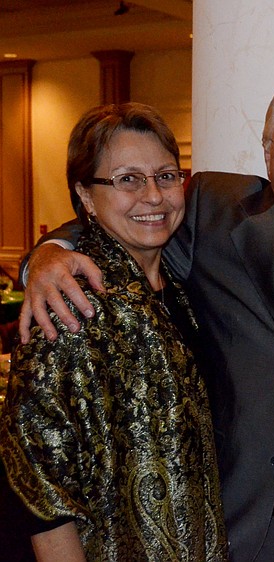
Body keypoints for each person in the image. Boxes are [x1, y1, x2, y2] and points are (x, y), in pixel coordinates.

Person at [18, 78, 274, 562]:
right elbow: (122, 213)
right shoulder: (210, 210)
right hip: (224, 533)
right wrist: (50, 253)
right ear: (267, 150)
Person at [0, 103, 227, 560]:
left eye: (166, 175)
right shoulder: (69, 304)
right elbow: (40, 484)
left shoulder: (180, 291)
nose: (154, 196)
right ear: (85, 195)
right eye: (127, 179)